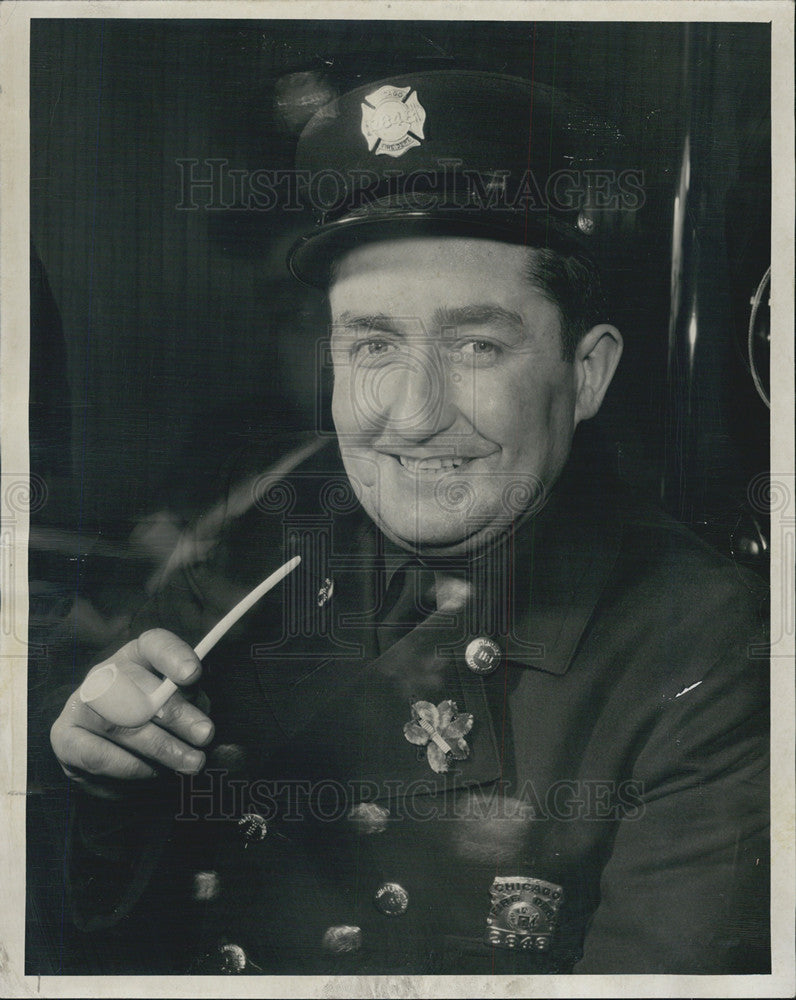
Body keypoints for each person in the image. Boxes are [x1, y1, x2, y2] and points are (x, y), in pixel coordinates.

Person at [49, 71, 769, 975]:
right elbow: (117, 949)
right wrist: (109, 787)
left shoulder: (708, 654)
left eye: (477, 346)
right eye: (374, 345)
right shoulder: (259, 542)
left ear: (586, 374)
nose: (412, 414)